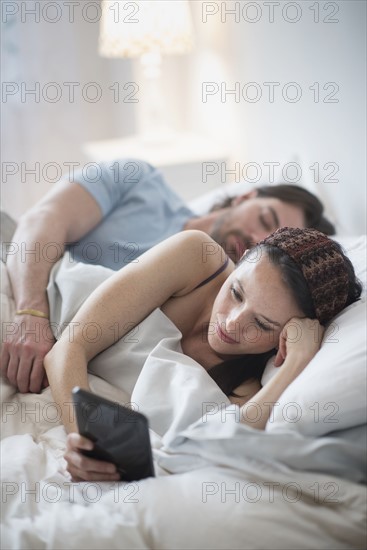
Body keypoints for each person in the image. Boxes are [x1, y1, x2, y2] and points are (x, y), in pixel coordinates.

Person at [41, 227, 361, 482]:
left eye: (262, 324)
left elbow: (225, 442)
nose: (232, 323)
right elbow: (67, 349)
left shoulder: (248, 384)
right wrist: (81, 440)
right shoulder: (196, 258)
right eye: (236, 293)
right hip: (43, 303)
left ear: (286, 336)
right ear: (245, 257)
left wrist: (297, 362)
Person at [1, 158, 335, 393]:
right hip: (22, 272)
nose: (254, 238)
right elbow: (41, 221)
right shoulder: (140, 182)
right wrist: (31, 313)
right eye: (264, 219)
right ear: (247, 195)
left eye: (269, 240)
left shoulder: (223, 307)